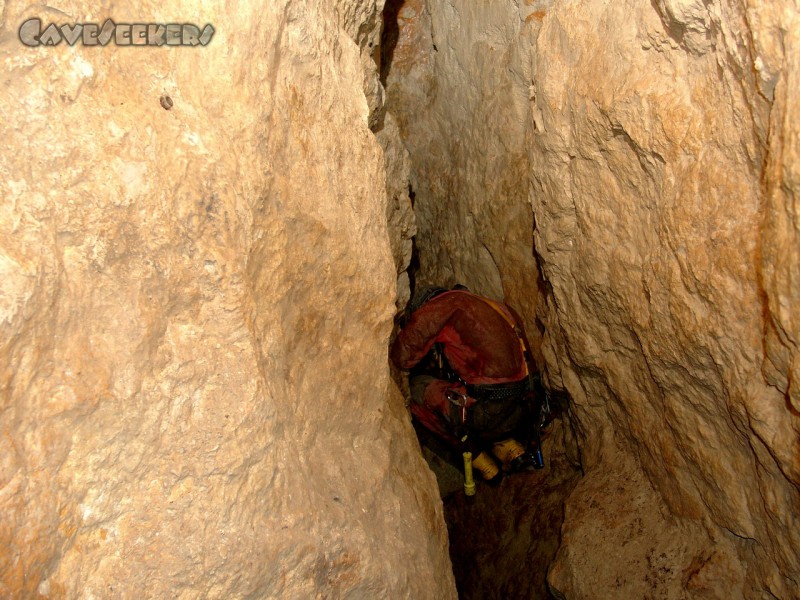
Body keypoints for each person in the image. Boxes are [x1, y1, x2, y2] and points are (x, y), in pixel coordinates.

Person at [391, 285, 543, 483]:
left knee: (417, 389)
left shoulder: (445, 305)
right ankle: (506, 444)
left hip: (491, 411)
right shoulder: (496, 307)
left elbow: (403, 357)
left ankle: (476, 454)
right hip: (530, 405)